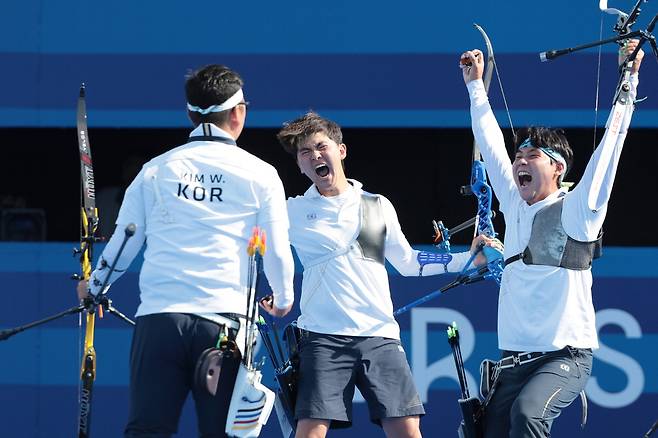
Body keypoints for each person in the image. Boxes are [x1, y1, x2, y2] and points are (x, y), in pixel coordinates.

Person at [77, 64, 295, 437]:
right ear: (238, 113)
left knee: (147, 431)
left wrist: (93, 288)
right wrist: (284, 297)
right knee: (224, 434)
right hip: (225, 326)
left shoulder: (155, 170)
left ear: (190, 114)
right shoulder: (261, 173)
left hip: (160, 323)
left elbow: (125, 243)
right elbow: (276, 249)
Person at [272, 111, 500, 438]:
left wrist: (468, 259)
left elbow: (408, 261)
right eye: (305, 152)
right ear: (300, 165)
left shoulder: (377, 205)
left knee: (407, 431)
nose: (315, 156)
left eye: (321, 147)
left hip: (379, 336)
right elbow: (254, 240)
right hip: (322, 338)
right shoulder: (291, 211)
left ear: (341, 150)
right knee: (310, 432)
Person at [459, 39, 644, 438]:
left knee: (528, 415)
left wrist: (628, 81)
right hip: (513, 361)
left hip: (565, 358)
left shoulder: (579, 210)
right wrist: (475, 87)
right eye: (518, 157)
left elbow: (611, 148)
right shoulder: (514, 202)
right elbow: (491, 145)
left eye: (532, 156)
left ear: (558, 168)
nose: (519, 162)